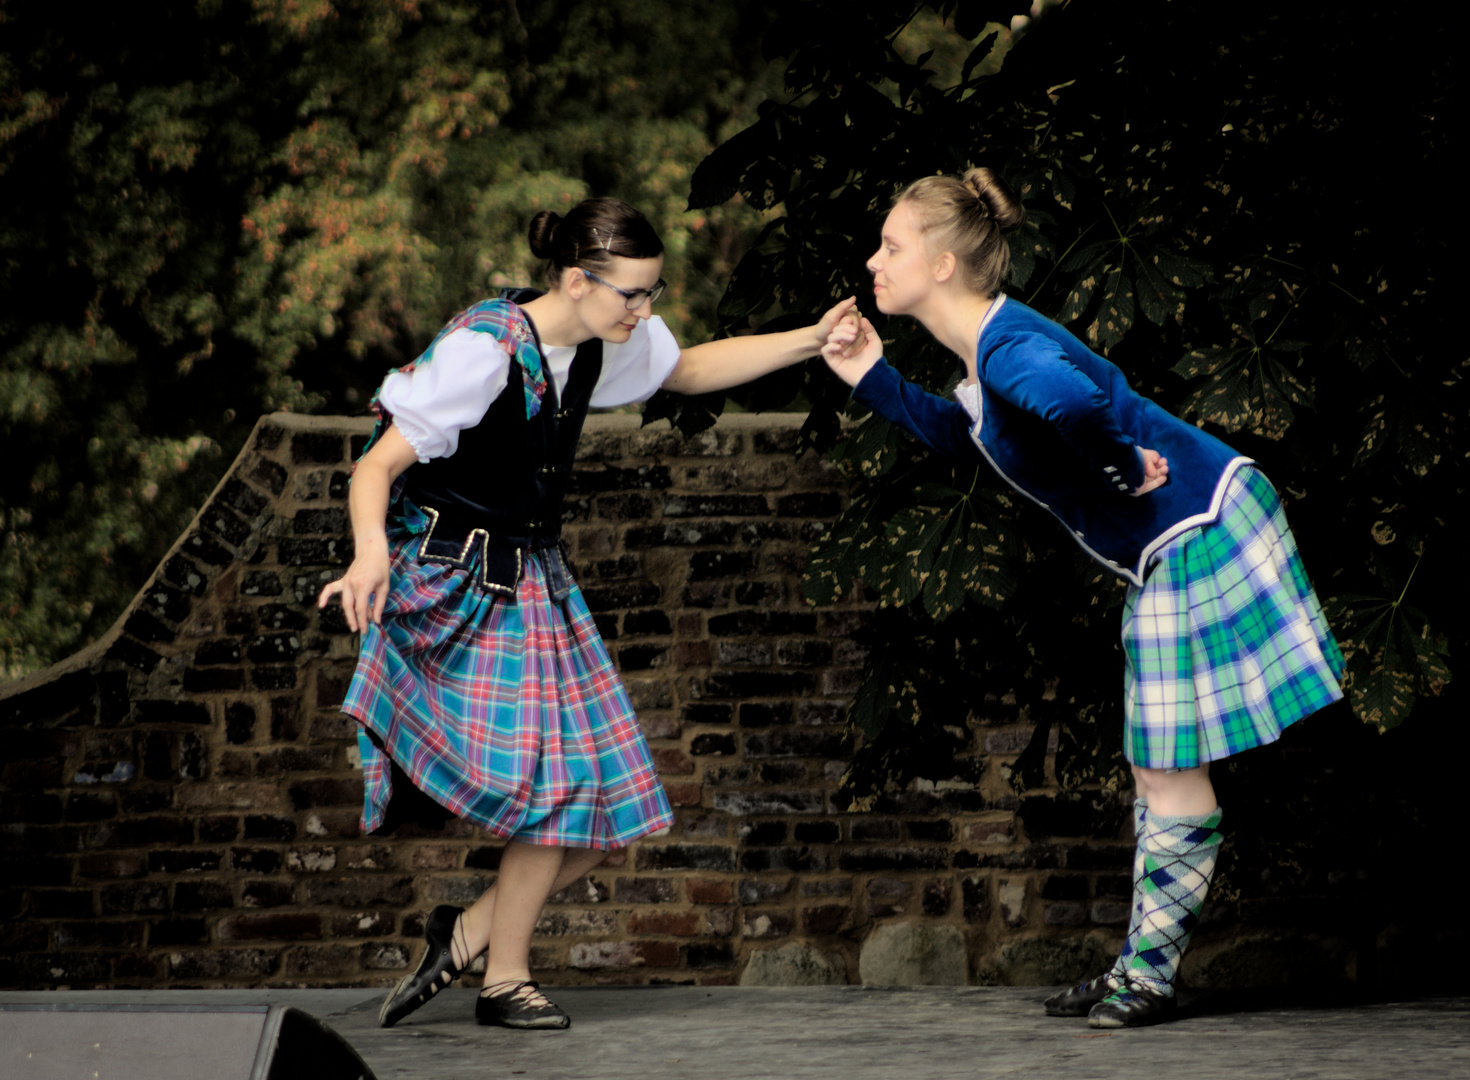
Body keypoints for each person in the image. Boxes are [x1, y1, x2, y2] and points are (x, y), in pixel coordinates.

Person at [819, 169, 1344, 1028]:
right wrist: (871, 375)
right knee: (1159, 764)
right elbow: (971, 434)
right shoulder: (986, 355)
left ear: (944, 264)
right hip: (1188, 534)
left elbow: (1067, 400)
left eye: (893, 245)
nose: (875, 260)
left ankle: (1146, 980)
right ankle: (1142, 969)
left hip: (1197, 527)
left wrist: (1119, 465)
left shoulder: (1009, 350)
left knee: (1168, 767)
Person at [319, 196, 859, 1031]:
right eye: (631, 296)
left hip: (532, 580)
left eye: (652, 293)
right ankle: (504, 977)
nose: (644, 313)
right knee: (560, 793)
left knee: (608, 811)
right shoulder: (484, 351)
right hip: (455, 582)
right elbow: (374, 466)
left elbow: (691, 369)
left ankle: (463, 934)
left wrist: (811, 339)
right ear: (577, 280)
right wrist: (367, 553)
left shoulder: (601, 346)